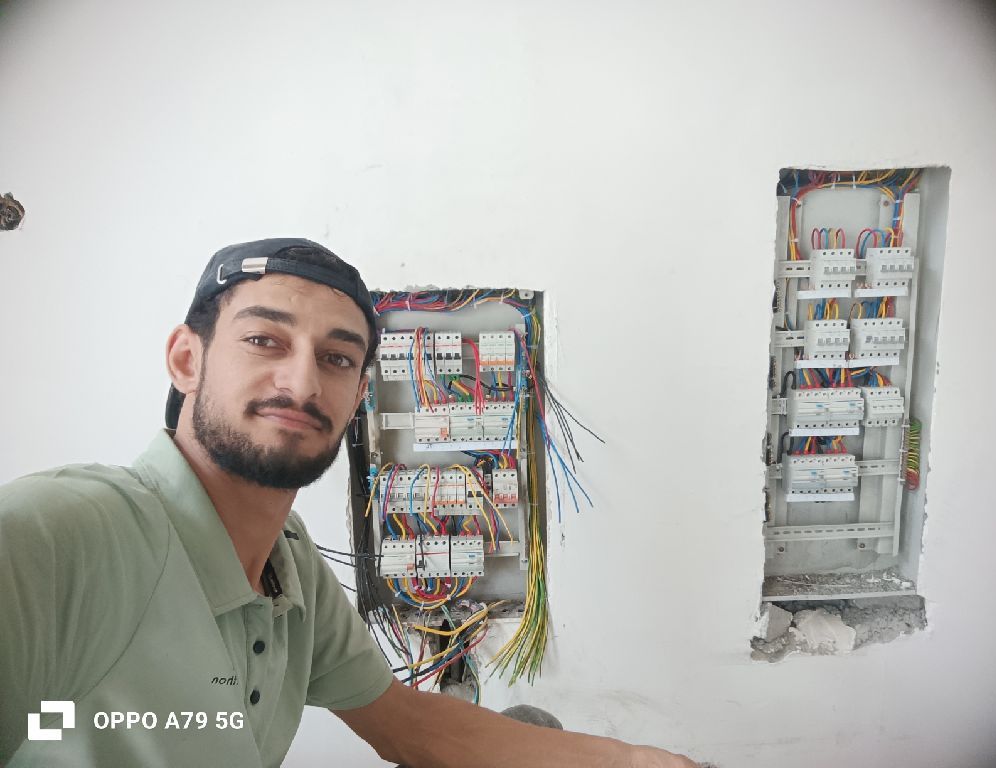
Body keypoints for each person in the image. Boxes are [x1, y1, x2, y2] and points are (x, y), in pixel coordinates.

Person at [0, 238, 700, 768]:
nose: (301, 383)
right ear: (187, 359)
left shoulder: (290, 563)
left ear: (361, 393)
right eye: (264, 340)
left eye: (336, 358)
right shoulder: (61, 536)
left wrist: (641, 761)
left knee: (533, 727)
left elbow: (404, 724)